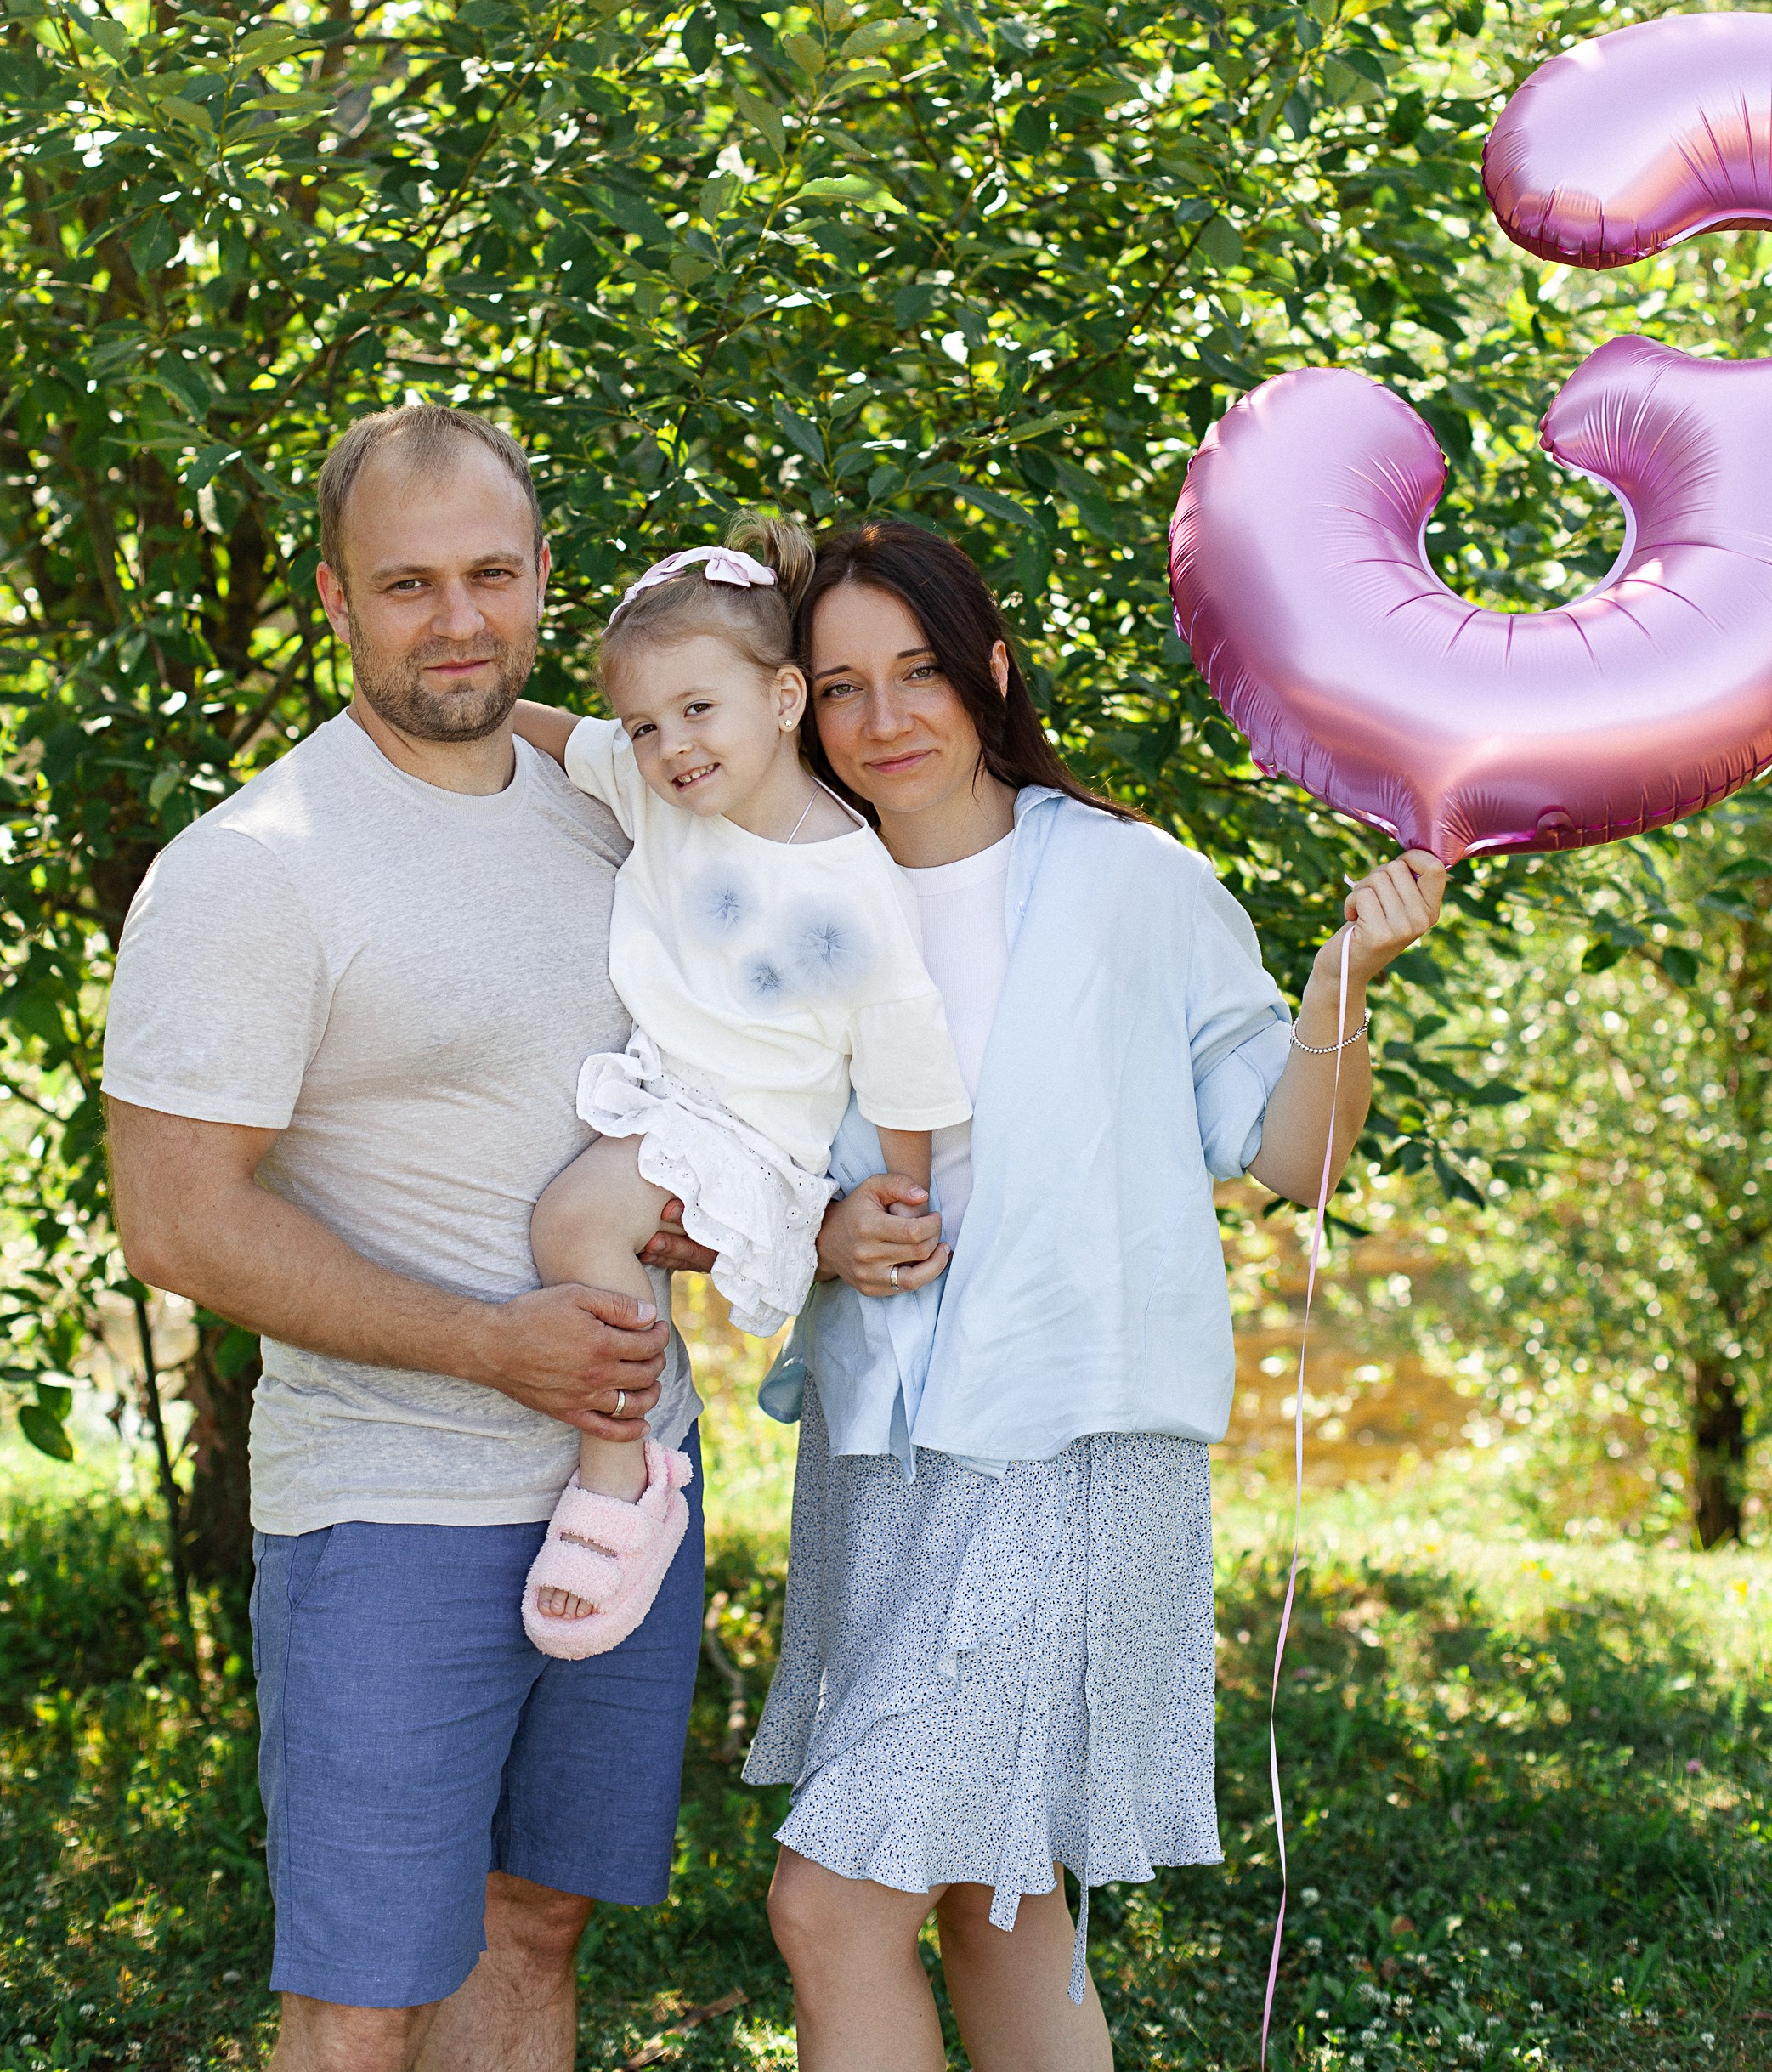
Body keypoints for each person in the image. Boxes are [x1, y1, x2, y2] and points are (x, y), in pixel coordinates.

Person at [743, 519, 1446, 2072]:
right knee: (999, 1896)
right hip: (878, 1458)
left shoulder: (1134, 881)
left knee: (830, 1905)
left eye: (919, 671)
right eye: (842, 686)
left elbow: (1290, 1153)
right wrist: (824, 1231)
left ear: (989, 672)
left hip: (1066, 1449)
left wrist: (1339, 987)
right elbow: (736, 1159)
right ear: (799, 707)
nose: (884, 718)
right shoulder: (797, 898)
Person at [102, 405, 711, 2072]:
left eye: (492, 574)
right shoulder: (253, 866)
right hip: (388, 1505)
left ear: (543, 575)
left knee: (537, 1919)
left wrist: (713, 1201)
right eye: (407, 582)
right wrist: (483, 1342)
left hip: (627, 1485)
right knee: (364, 1988)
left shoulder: (608, 802)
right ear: (333, 595)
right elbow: (176, 1219)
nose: (458, 620)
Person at [508, 522, 968, 1656]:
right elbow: (561, 736)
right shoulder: (664, 793)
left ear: (782, 697)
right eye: (645, 725)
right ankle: (630, 1445)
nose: (671, 746)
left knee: (571, 1223)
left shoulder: (851, 879)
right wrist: (465, 710)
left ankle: (623, 1476)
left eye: (697, 710)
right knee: (585, 1229)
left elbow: (903, 1052)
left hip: (749, 1135)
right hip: (668, 1098)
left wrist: (898, 1197)